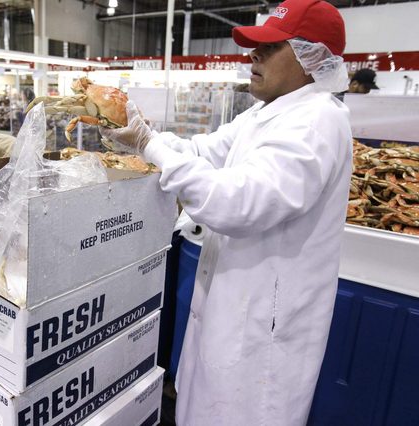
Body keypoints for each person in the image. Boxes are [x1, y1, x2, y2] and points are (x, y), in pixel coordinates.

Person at [100, 0, 352, 424]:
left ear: (312, 58)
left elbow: (237, 203)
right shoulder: (264, 115)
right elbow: (203, 151)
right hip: (231, 312)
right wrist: (139, 132)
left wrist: (149, 144)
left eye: (271, 47)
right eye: (257, 46)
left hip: (263, 333)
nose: (253, 56)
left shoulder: (315, 123)